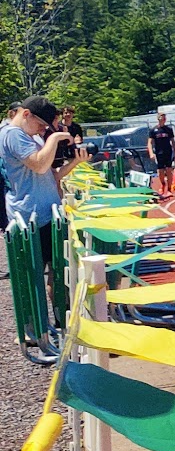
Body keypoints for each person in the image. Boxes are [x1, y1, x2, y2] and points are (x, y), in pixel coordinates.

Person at [1, 97, 81, 329]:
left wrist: (75, 161)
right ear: (25, 114)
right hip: (31, 216)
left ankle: (59, 322)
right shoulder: (12, 134)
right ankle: (35, 329)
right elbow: (39, 164)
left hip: (45, 213)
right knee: (33, 276)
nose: (43, 130)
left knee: (56, 271)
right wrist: (55, 138)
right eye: (41, 125)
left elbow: (49, 175)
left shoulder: (28, 135)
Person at [146, 112, 175, 197]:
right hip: (159, 153)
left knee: (169, 170)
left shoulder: (168, 129)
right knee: (160, 171)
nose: (163, 119)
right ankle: (163, 184)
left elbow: (173, 142)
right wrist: (151, 153)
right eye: (161, 117)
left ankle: (170, 189)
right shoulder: (154, 130)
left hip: (168, 152)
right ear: (158, 118)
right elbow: (149, 143)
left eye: (164, 117)